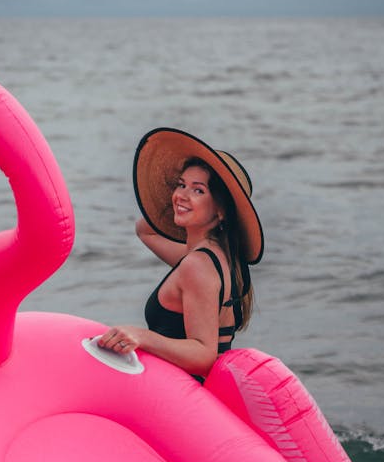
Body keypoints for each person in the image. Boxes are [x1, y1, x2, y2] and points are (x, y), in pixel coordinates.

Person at [97, 127, 264, 379]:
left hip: (186, 398)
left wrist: (142, 336)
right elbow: (146, 231)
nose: (182, 194)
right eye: (181, 185)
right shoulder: (218, 256)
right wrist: (180, 200)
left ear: (221, 211)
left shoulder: (197, 265)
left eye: (199, 190)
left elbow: (203, 355)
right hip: (201, 395)